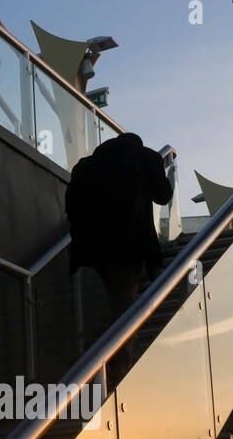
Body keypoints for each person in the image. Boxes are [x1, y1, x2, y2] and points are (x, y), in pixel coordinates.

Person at [65, 133, 174, 379]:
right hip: (129, 243)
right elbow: (163, 195)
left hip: (93, 248)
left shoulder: (86, 165)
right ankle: (119, 365)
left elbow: (71, 204)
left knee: (116, 297)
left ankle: (103, 358)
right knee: (124, 301)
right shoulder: (145, 157)